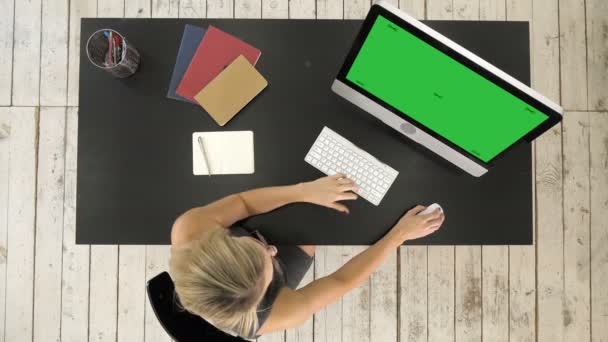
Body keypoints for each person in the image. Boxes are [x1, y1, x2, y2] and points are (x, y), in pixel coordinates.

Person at [170, 174, 445, 339]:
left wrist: (305, 190)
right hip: (269, 295)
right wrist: (399, 235)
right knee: (312, 233)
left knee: (306, 214)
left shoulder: (189, 229)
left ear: (218, 241)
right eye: (269, 260)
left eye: (255, 247)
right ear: (261, 298)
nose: (273, 249)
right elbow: (341, 280)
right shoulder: (278, 314)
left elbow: (243, 203)